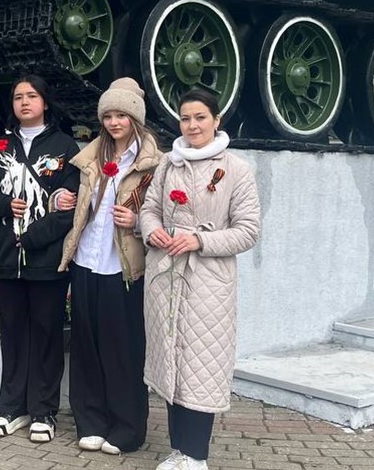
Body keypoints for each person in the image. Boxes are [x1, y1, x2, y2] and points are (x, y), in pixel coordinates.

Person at [139, 88, 261, 470]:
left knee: (200, 364)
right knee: (170, 361)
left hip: (207, 281)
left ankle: (196, 455)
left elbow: (248, 230)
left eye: (200, 117)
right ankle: (179, 450)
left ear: (216, 120)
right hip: (165, 277)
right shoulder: (168, 164)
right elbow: (149, 209)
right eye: (185, 118)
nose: (192, 125)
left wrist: (200, 240)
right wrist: (153, 231)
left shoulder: (236, 169)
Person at [57, 78, 161, 455]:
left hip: (124, 268)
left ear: (136, 118)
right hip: (86, 261)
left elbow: (165, 215)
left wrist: (136, 222)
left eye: (122, 115)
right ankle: (90, 421)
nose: (114, 122)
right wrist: (60, 199)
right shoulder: (91, 158)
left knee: (123, 349)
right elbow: (69, 198)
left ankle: (127, 428)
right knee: (86, 346)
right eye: (108, 116)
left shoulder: (154, 164)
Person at [0, 75, 80, 443]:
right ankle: (11, 407)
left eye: (32, 95)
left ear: (45, 102)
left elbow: (72, 207)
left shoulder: (65, 147)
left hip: (47, 259)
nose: (24, 102)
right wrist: (4, 205)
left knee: (47, 335)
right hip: (6, 257)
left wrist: (32, 237)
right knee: (13, 334)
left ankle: (44, 411)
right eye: (18, 96)